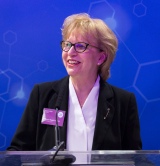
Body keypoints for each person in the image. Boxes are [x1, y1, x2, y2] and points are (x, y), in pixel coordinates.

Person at [7, 13, 142, 151]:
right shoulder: (42, 95)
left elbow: (134, 159)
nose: (70, 52)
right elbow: (18, 151)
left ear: (101, 58)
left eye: (80, 46)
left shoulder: (123, 102)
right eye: (67, 44)